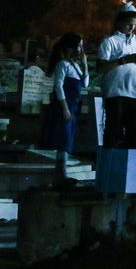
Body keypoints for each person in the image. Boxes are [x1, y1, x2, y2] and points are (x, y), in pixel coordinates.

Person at [39, 33, 88, 184]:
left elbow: (85, 83)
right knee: (63, 140)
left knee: (68, 140)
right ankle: (60, 172)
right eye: (79, 46)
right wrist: (65, 108)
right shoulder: (63, 64)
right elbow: (58, 86)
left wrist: (85, 65)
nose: (81, 49)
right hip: (64, 105)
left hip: (73, 106)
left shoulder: (75, 65)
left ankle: (61, 172)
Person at [96, 0, 136, 148]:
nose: (131, 28)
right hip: (114, 92)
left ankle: (126, 159)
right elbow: (100, 67)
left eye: (134, 25)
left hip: (133, 92)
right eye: (128, 24)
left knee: (132, 132)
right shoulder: (109, 41)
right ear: (119, 22)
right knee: (113, 129)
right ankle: (109, 158)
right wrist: (123, 60)